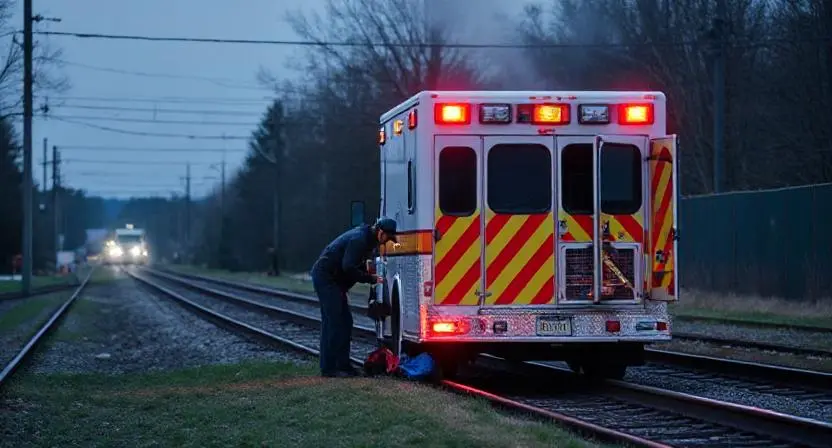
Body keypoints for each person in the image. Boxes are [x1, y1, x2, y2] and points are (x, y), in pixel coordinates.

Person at [311, 217, 398, 377]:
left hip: (333, 280)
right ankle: (330, 368)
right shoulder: (359, 240)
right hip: (326, 278)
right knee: (335, 322)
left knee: (344, 321)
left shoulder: (366, 239)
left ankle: (343, 365)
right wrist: (369, 278)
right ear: (380, 232)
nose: (385, 243)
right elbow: (348, 266)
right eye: (387, 238)